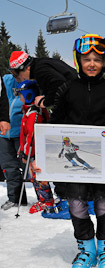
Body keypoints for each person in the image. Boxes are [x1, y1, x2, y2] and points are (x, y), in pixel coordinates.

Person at [48, 34, 105, 268]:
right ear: (78, 60)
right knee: (77, 204)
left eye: (97, 59)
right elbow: (54, 125)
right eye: (86, 58)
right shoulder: (67, 89)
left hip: (101, 159)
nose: (92, 63)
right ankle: (86, 248)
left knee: (102, 204)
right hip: (73, 165)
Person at [9, 50, 77, 203]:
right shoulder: (43, 64)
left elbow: (61, 85)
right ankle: (73, 198)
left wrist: (46, 101)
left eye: (16, 75)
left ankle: (66, 199)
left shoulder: (40, 70)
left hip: (74, 111)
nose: (18, 79)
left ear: (25, 68)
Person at [16, 80, 54, 213]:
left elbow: (31, 136)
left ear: (28, 95)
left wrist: (27, 153)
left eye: (21, 95)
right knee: (35, 176)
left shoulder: (34, 113)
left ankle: (47, 201)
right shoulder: (30, 110)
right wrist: (23, 149)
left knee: (38, 176)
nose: (19, 98)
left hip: (35, 152)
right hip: (33, 151)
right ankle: (44, 199)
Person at [0, 74, 28, 210]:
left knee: (28, 166)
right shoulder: (5, 80)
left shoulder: (30, 80)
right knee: (9, 167)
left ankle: (45, 199)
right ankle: (15, 199)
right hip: (3, 133)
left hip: (21, 132)